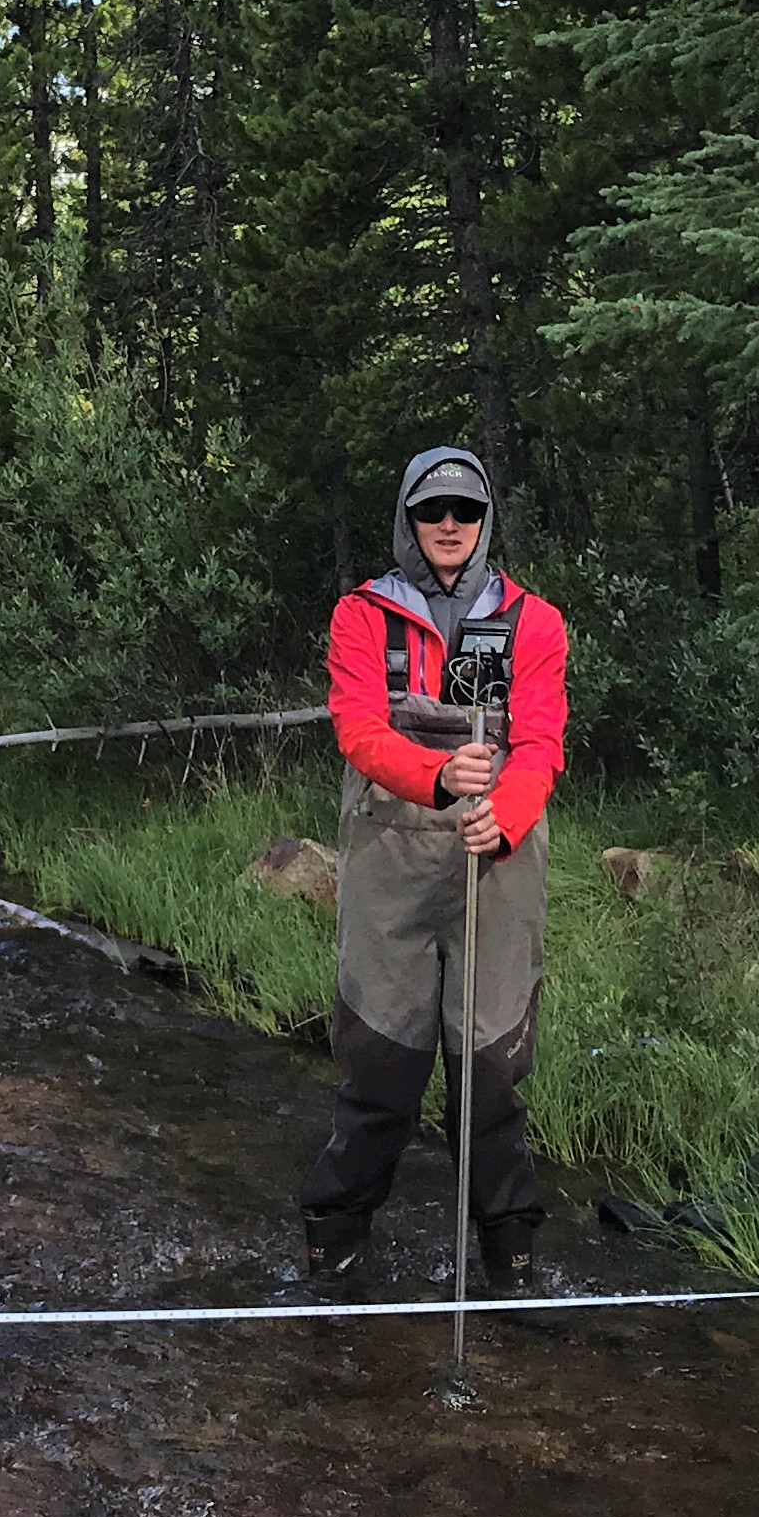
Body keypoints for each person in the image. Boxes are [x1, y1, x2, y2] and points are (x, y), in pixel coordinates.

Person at [300, 448, 571, 1295]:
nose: (449, 526)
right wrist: (438, 775)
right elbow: (357, 730)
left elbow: (541, 743)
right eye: (431, 511)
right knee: (381, 1068)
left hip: (498, 861)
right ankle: (335, 1247)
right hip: (392, 858)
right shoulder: (360, 616)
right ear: (408, 520)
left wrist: (505, 814)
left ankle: (510, 1260)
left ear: (486, 521)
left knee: (489, 1078)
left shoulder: (536, 623)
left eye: (465, 511)